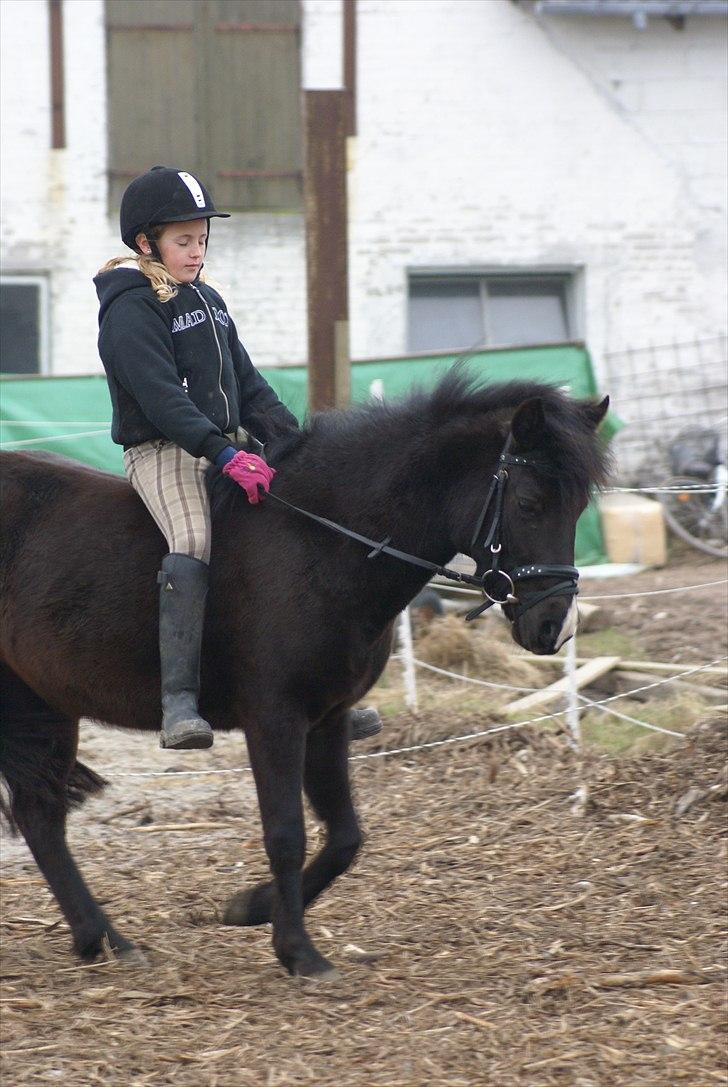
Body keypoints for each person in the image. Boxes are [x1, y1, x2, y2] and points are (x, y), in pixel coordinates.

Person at [95, 166, 381, 750]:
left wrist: (295, 445)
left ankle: (321, 696)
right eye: (184, 240)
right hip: (164, 452)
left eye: (201, 238)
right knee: (195, 541)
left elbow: (248, 384)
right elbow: (162, 399)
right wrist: (223, 452)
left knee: (295, 536)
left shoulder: (209, 299)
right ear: (146, 243)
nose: (196, 250)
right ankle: (178, 701)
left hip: (229, 448)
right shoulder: (129, 308)